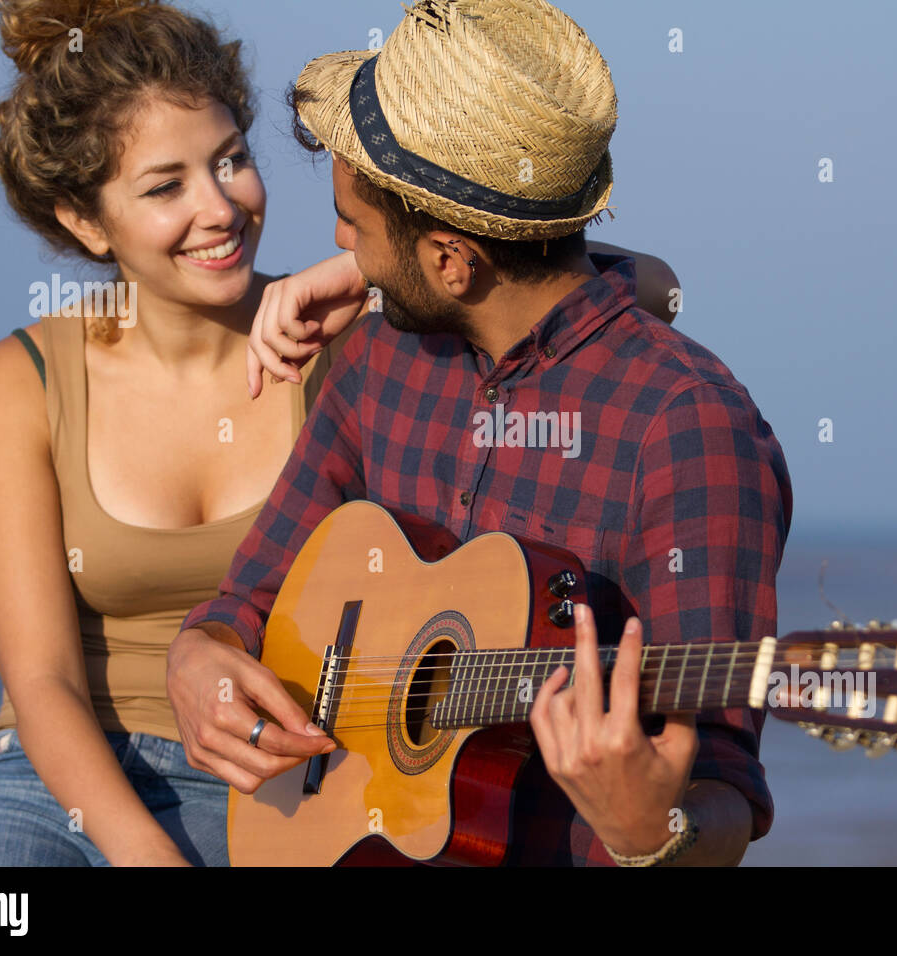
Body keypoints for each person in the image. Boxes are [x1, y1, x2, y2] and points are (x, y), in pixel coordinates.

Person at [0, 0, 680, 867]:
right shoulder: (22, 380)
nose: (220, 206)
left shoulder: (354, 337)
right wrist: (145, 857)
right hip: (53, 784)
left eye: (230, 161)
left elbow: (652, 290)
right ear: (84, 221)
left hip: (283, 783)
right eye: (166, 186)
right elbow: (42, 686)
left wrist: (367, 271)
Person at [168, 0, 793, 866]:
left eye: (353, 225)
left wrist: (655, 831)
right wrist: (200, 653)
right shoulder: (378, 359)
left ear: (453, 261)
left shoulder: (686, 429)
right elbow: (254, 597)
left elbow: (723, 792)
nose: (338, 246)